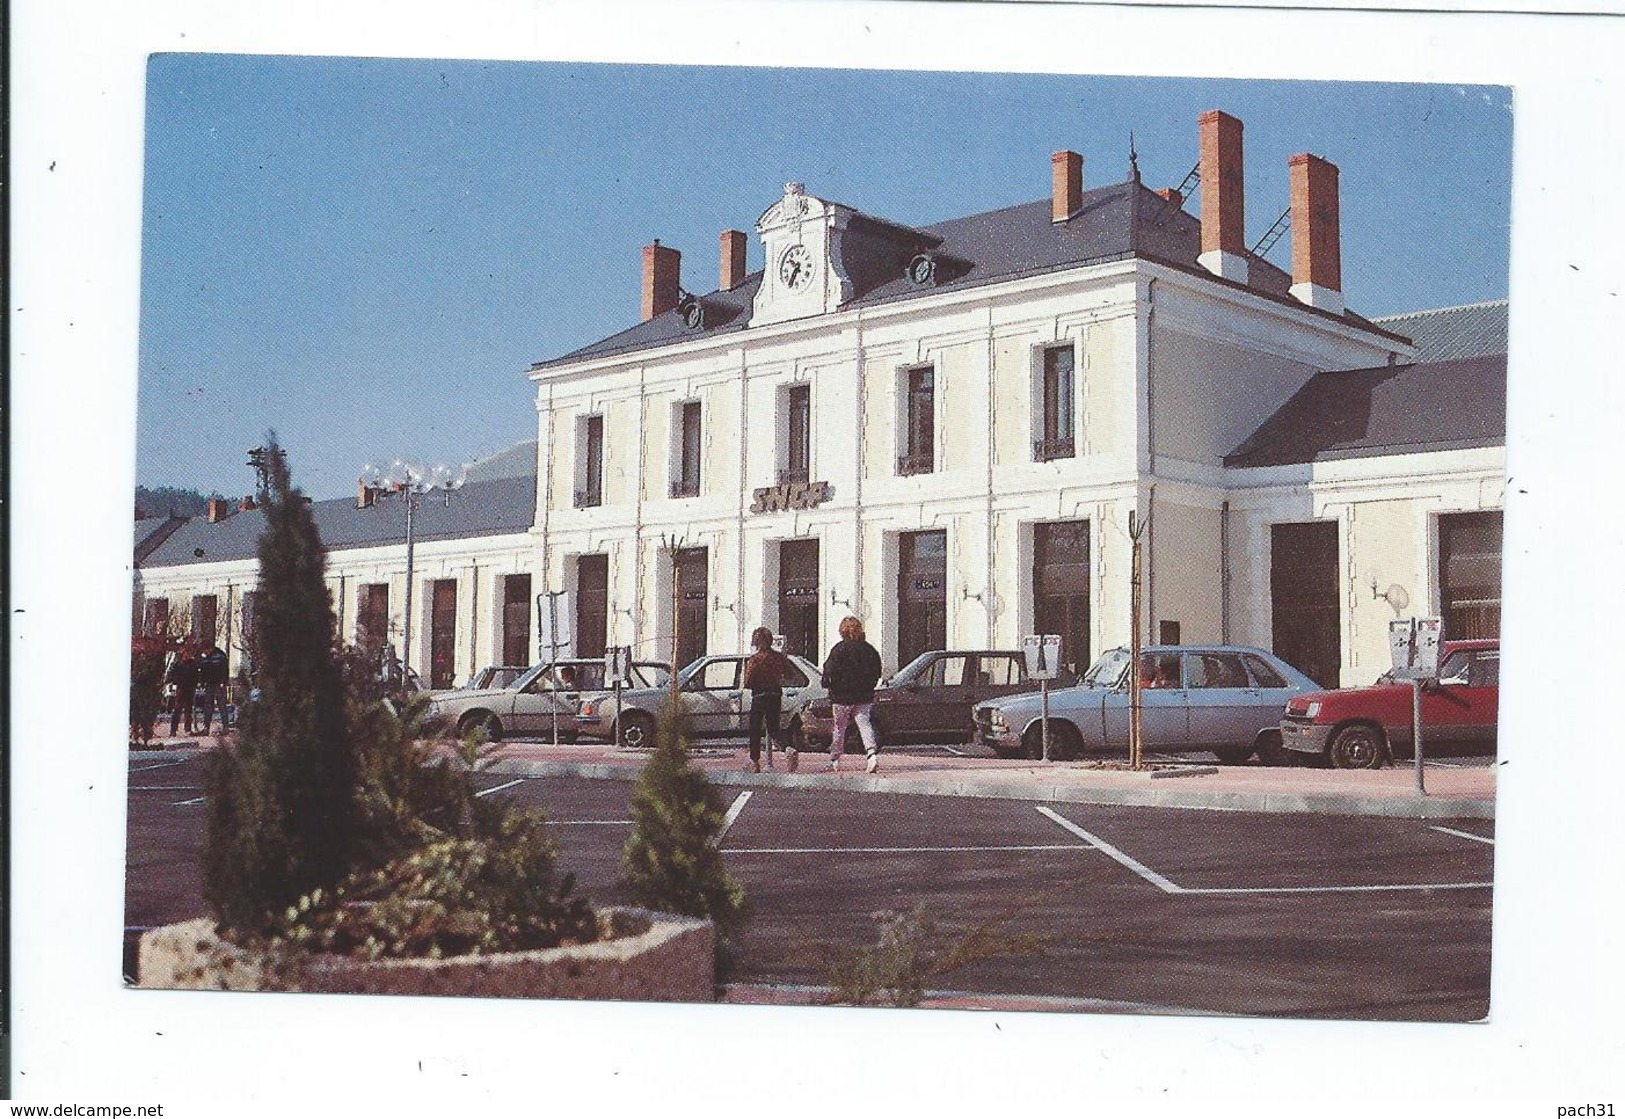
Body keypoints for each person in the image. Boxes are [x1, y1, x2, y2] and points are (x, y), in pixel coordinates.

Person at [820, 615, 884, 773]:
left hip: (841, 696)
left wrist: (829, 685)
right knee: (864, 724)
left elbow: (828, 670)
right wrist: (869, 686)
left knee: (839, 727)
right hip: (864, 696)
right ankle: (871, 755)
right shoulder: (869, 649)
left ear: (843, 631)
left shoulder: (839, 649)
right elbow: (877, 671)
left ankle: (835, 760)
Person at [743, 626, 795, 773]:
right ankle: (787, 748)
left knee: (755, 728)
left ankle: (754, 761)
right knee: (774, 728)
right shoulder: (779, 657)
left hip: (759, 695)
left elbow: (747, 682)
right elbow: (790, 674)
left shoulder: (755, 659)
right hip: (775, 694)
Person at [166, 645, 199, 736]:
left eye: (189, 653)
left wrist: (195, 683)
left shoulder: (193, 664)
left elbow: (196, 675)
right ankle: (173, 730)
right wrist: (173, 682)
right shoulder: (178, 664)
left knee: (188, 710)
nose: (187, 655)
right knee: (177, 709)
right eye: (186, 653)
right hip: (181, 688)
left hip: (190, 688)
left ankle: (187, 728)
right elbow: (172, 674)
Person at [196, 644, 230, 734]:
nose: (204, 653)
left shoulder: (219, 656)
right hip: (209, 684)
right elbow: (203, 670)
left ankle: (225, 727)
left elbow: (224, 670)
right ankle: (206, 727)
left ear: (209, 648)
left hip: (218, 683)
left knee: (221, 705)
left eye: (205, 650)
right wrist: (202, 682)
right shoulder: (208, 657)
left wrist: (224, 681)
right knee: (208, 706)